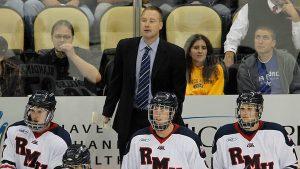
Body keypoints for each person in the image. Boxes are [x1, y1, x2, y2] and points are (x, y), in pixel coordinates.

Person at [102, 6, 186, 161]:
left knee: (157, 160)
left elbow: (178, 93)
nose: (147, 24)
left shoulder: (175, 54)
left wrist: (172, 120)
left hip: (160, 117)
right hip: (129, 115)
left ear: (160, 25)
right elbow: (116, 83)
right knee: (128, 159)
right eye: (144, 20)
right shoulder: (125, 47)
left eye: (152, 21)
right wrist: (108, 111)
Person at [212, 91, 298, 169]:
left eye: (249, 109)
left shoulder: (277, 132)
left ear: (259, 110)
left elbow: (292, 164)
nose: (245, 113)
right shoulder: (222, 135)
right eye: (242, 109)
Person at [122, 92, 208, 169]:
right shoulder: (137, 139)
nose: (158, 113)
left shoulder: (190, 139)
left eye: (163, 109)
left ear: (173, 112)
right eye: (155, 108)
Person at [0, 90, 72, 169]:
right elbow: (7, 163)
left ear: (50, 113)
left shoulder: (61, 139)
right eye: (32, 110)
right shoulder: (13, 130)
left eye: (40, 112)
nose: (35, 116)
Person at [223, 0, 300, 67]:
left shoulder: (295, 13)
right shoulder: (251, 7)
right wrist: (229, 53)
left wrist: (296, 20)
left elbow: (298, 46)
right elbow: (235, 34)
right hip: (253, 64)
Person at [237, 26, 300, 94]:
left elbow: (297, 89)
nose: (260, 42)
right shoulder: (246, 66)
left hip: (284, 102)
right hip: (258, 103)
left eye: (265, 37)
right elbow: (246, 94)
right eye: (257, 37)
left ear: (273, 43)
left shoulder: (287, 60)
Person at [23, 0, 94, 49]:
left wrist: (77, 1)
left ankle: (78, 49)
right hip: (45, 4)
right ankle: (36, 47)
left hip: (77, 5)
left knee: (89, 18)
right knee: (30, 5)